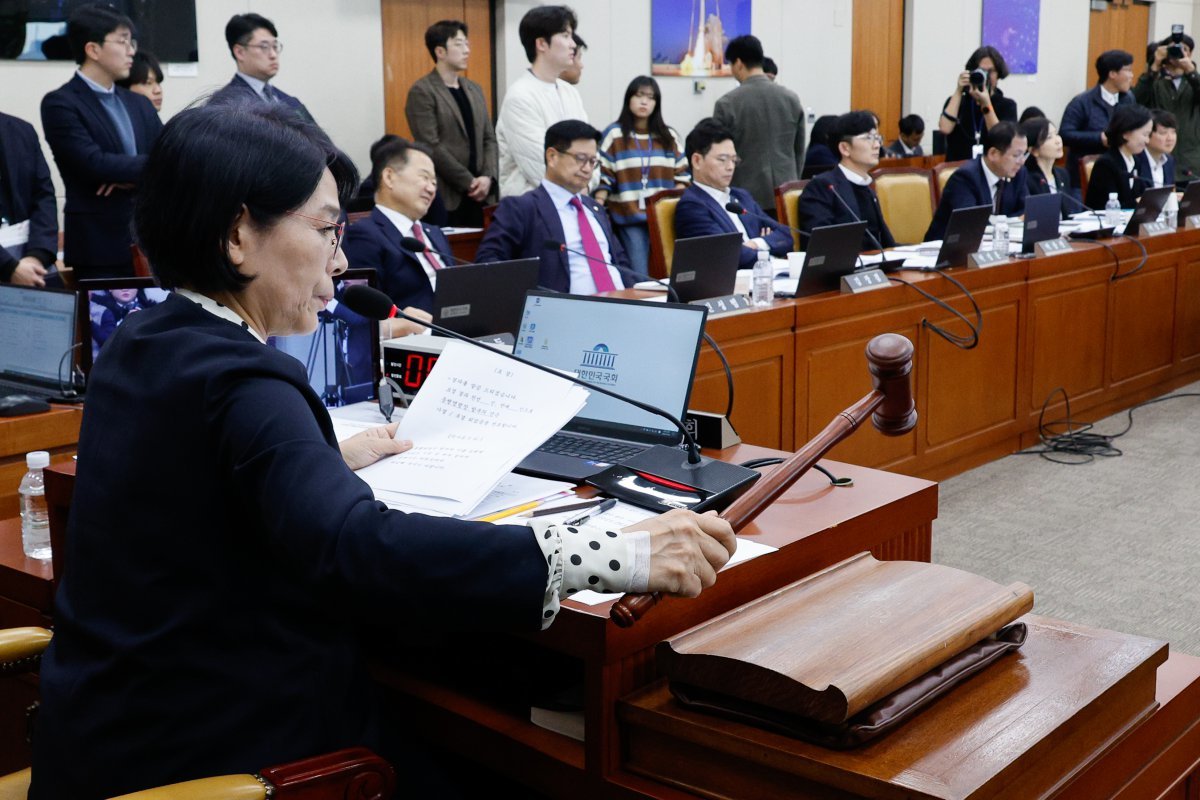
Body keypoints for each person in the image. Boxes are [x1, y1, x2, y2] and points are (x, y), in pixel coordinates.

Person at [28, 102, 735, 799]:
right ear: (238, 234)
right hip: (217, 749)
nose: (340, 262)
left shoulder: (143, 343)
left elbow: (194, 487)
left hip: (98, 733)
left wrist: (319, 464)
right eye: (328, 230)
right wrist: (618, 554)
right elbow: (356, 545)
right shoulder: (248, 384)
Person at [40, 3, 162, 279]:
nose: (132, 51)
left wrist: (126, 174)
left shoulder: (138, 104)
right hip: (98, 245)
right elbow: (93, 164)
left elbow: (170, 157)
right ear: (92, 49)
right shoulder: (61, 103)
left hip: (151, 239)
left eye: (132, 42)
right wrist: (147, 170)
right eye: (123, 41)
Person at [477, 119, 638, 293]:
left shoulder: (595, 210)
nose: (587, 169)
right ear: (552, 157)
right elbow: (488, 263)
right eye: (580, 159)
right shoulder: (521, 208)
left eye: (592, 162)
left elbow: (622, 264)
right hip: (564, 312)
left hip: (620, 306)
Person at [340, 136, 441, 336]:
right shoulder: (364, 234)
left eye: (434, 182)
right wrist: (396, 326)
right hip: (412, 346)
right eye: (424, 177)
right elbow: (359, 318)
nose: (431, 188)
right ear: (389, 177)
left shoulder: (435, 234)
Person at [404, 20, 498, 227]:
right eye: (459, 44)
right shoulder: (422, 91)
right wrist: (468, 182)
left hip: (483, 195)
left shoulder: (474, 89)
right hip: (449, 195)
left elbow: (489, 138)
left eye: (467, 44)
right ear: (440, 51)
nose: (467, 50)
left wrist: (488, 177)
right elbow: (430, 144)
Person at [595, 76, 689, 278]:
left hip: (664, 218)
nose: (645, 102)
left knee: (670, 272)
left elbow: (683, 176)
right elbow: (603, 175)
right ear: (629, 99)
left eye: (651, 97)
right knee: (640, 275)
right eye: (639, 95)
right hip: (629, 217)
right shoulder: (614, 135)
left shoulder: (668, 136)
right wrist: (598, 204)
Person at [674, 118, 792, 268]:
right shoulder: (692, 206)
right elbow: (729, 254)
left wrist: (755, 244)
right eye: (722, 160)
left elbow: (786, 235)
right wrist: (768, 252)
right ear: (697, 161)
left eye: (734, 160)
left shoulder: (741, 196)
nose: (730, 167)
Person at [496, 5, 587, 198]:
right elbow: (540, 167)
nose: (573, 44)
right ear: (541, 44)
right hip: (531, 210)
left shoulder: (570, 93)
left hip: (574, 199)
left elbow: (589, 151)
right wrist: (580, 184)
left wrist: (586, 182)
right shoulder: (520, 97)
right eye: (565, 35)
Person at [713, 34, 805, 214]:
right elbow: (799, 150)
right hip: (787, 195)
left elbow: (720, 154)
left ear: (738, 63)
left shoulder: (727, 104)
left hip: (745, 197)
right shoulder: (791, 98)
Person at [799, 111, 895, 251]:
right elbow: (821, 248)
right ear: (845, 148)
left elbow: (885, 243)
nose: (876, 145)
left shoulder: (868, 188)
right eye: (868, 138)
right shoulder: (823, 187)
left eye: (877, 138)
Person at [925, 121, 1028, 241]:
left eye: (1023, 155)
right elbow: (971, 225)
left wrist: (1001, 223)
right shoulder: (965, 178)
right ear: (993, 154)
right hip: (946, 250)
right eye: (1016, 155)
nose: (1021, 162)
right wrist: (1007, 222)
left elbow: (1025, 213)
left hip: (996, 248)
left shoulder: (1018, 173)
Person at [212, 13, 314, 124]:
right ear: (240, 52)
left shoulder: (289, 101)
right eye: (264, 47)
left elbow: (319, 140)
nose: (273, 55)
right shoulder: (225, 105)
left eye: (275, 46)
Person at [1060, 50, 1136, 189]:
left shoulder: (1128, 99)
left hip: (1118, 171)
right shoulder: (1082, 102)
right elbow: (1065, 134)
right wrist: (1098, 138)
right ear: (1112, 74)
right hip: (1083, 176)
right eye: (1128, 70)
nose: (1132, 76)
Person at [0, 111, 57, 287]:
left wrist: (37, 256)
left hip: (31, 262)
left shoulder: (21, 129)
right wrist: (9, 267)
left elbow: (44, 196)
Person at [1133, 33, 1200, 182]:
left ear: (1190, 54)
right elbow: (1135, 100)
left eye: (1184, 49)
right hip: (1155, 158)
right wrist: (1154, 65)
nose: (1179, 52)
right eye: (1174, 49)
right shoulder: (1155, 81)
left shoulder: (1194, 82)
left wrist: (1191, 71)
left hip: (1190, 162)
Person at [938, 46, 1018, 163]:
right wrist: (959, 90)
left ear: (998, 74)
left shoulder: (1007, 105)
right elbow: (945, 128)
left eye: (990, 71)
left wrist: (985, 103)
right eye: (980, 71)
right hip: (958, 169)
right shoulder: (957, 101)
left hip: (990, 170)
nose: (985, 76)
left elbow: (1001, 139)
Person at [1085, 104, 1154, 210]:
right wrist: (1137, 202)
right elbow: (1105, 208)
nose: (1147, 141)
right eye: (1144, 135)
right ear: (1125, 133)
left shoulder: (1136, 161)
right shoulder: (1106, 164)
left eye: (1149, 135)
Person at [1020, 117, 1070, 201]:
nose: (1058, 141)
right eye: (1049, 137)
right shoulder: (1026, 179)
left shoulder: (1063, 174)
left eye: (1056, 134)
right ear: (1033, 150)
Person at [1146, 109, 1178, 189]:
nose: (1170, 138)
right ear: (1147, 134)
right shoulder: (1136, 162)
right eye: (1163, 133)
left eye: (1173, 132)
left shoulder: (1169, 161)